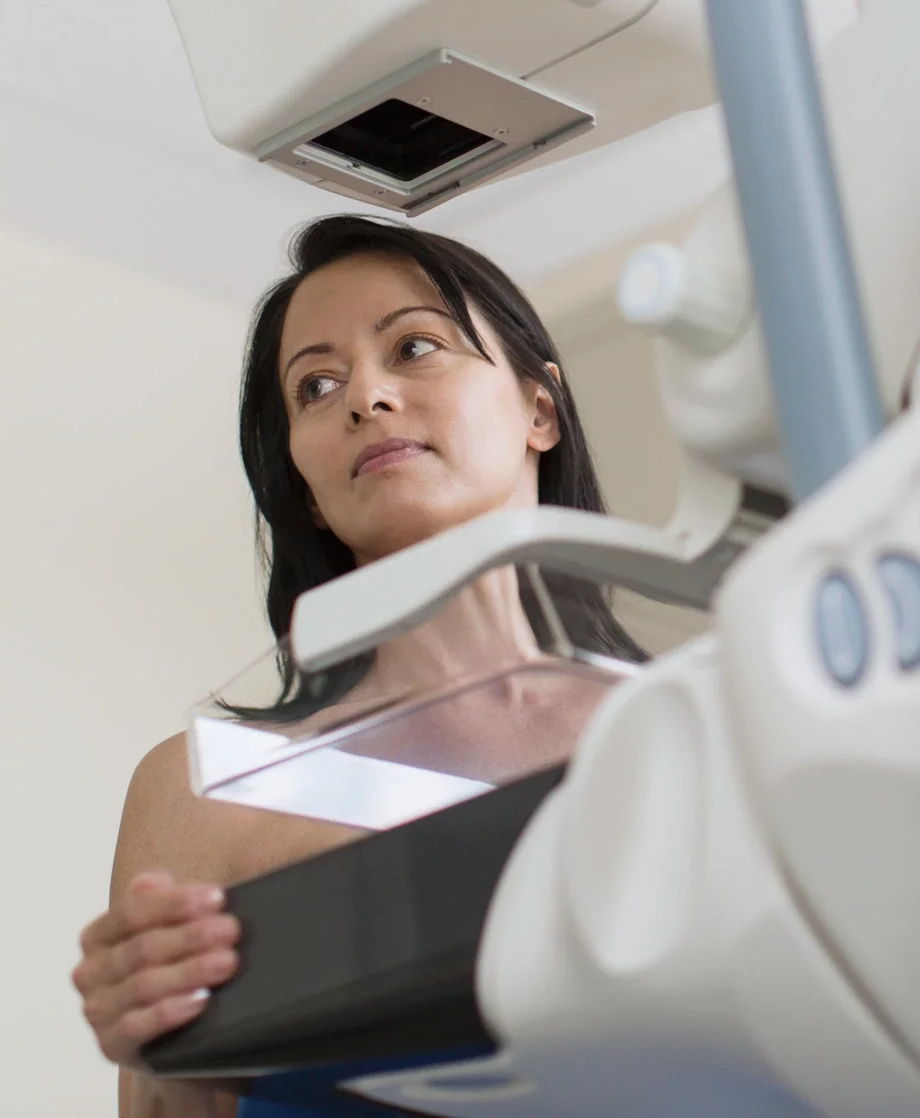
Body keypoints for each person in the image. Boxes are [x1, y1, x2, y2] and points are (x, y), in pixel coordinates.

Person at [69, 215, 645, 1117]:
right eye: (317, 386)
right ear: (306, 488)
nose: (364, 398)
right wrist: (158, 1047)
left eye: (414, 347)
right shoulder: (203, 790)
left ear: (539, 409)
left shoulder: (688, 730)